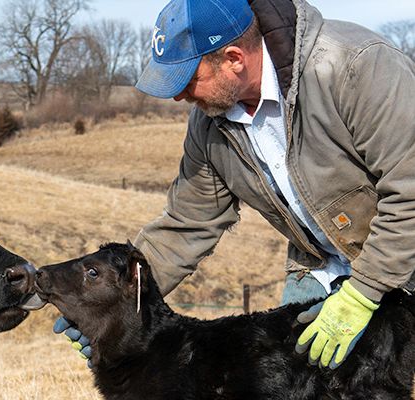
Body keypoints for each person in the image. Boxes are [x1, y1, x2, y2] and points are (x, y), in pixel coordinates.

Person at [55, 0, 415, 370]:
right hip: (325, 266)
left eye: (187, 79)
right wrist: (115, 303)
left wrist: (362, 293)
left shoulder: (356, 67)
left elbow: (410, 193)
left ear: (233, 59)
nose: (179, 96)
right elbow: (186, 224)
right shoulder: (210, 123)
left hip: (403, 249)